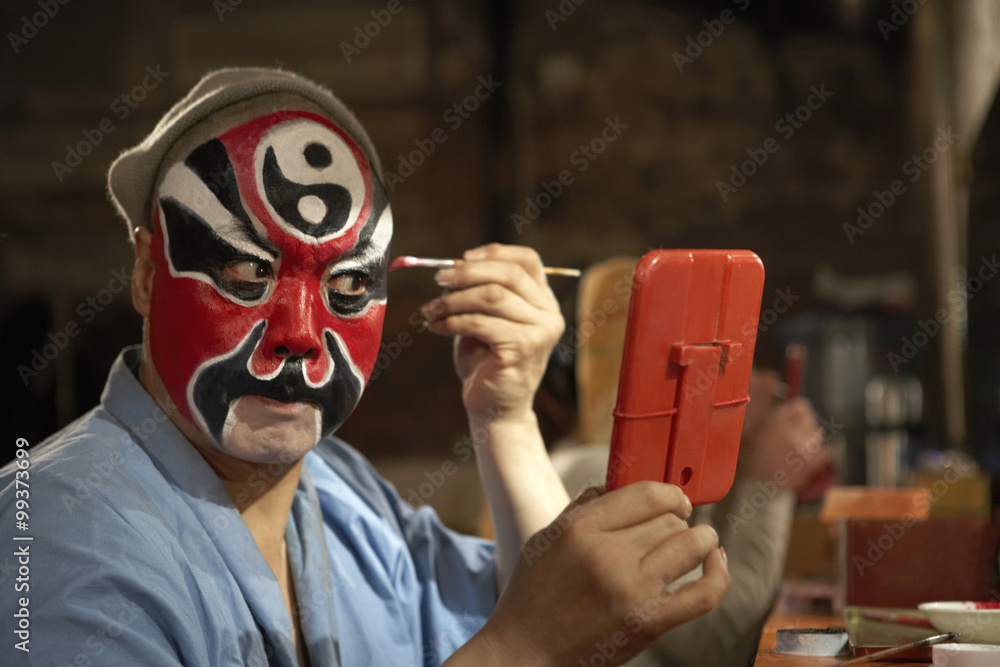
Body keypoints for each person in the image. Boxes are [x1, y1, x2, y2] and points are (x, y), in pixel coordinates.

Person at [0, 67, 729, 666]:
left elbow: (554, 611)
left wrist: (504, 417)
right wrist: (521, 650)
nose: (300, 335)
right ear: (145, 271)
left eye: (348, 286)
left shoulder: (346, 499)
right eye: (245, 270)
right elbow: (533, 632)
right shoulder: (49, 531)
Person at [551, 258, 829, 666]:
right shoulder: (595, 474)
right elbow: (716, 641)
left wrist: (732, 442)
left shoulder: (639, 463)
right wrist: (770, 484)